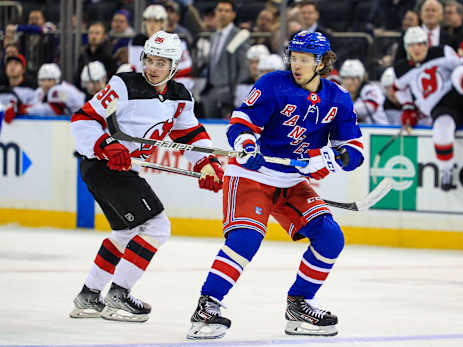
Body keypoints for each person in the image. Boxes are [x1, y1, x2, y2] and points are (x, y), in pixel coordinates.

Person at [187, 31, 364, 339]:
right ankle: (206, 307)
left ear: (321, 63)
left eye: (305, 59)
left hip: (292, 181)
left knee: (330, 238)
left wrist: (336, 157)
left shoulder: (338, 97)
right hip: (251, 175)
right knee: (246, 239)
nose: (297, 65)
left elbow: (355, 149)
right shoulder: (272, 85)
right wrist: (247, 145)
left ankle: (299, 305)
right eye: (294, 57)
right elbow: (241, 124)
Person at [69, 31, 224, 323]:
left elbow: (189, 134)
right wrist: (106, 145)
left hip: (124, 169)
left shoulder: (180, 96)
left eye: (161, 63)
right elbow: (83, 120)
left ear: (174, 66)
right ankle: (119, 295)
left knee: (126, 233)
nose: (153, 67)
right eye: (149, 60)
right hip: (105, 166)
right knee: (157, 227)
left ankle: (89, 295)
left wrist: (207, 162)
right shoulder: (124, 84)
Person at [393, 27, 463, 191]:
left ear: (427, 44)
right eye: (412, 45)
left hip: (459, 94)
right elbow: (398, 89)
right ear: (406, 48)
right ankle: (446, 170)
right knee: (442, 130)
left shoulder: (443, 52)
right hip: (439, 107)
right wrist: (409, 108)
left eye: (420, 44)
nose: (416, 48)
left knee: (460, 71)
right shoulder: (400, 70)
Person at [339, 59, 387, 124]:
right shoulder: (341, 91)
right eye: (346, 78)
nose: (349, 82)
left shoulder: (370, 89)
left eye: (353, 78)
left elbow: (370, 107)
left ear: (360, 79)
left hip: (379, 131)